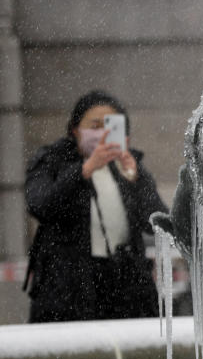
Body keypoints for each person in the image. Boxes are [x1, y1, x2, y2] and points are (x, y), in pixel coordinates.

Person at [23, 90, 167, 322]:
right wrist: (84, 170)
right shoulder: (52, 161)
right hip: (68, 289)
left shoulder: (130, 165)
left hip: (125, 287)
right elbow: (39, 204)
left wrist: (136, 181)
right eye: (95, 125)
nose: (102, 132)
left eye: (110, 125)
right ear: (75, 129)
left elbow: (157, 223)